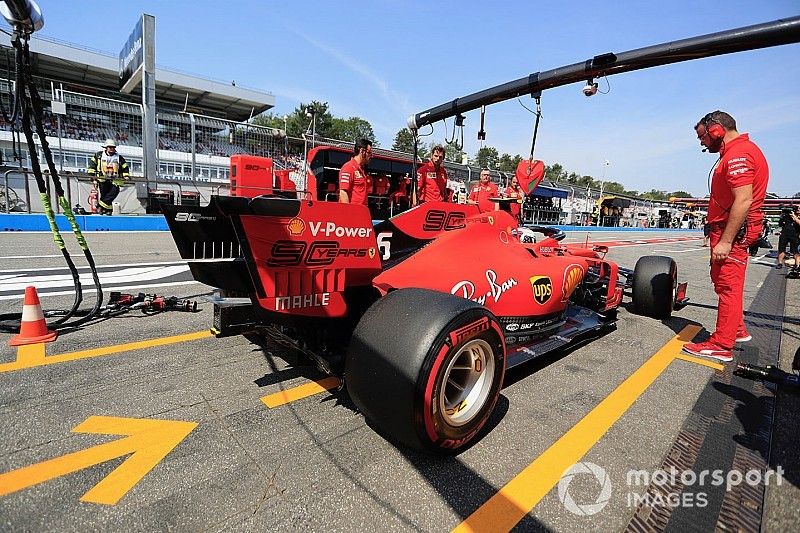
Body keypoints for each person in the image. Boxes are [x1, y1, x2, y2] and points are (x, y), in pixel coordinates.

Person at [682, 111, 769, 362]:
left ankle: (721, 344)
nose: (702, 142)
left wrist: (727, 240)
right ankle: (737, 329)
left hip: (733, 229)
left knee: (728, 284)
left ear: (717, 130)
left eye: (703, 137)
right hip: (732, 226)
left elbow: (743, 200)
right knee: (725, 281)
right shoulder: (740, 152)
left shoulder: (738, 155)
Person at [87, 139, 129, 215]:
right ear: (106, 148)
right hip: (102, 179)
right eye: (110, 147)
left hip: (115, 179)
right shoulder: (98, 156)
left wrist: (126, 175)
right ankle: (107, 210)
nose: (112, 149)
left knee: (114, 192)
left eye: (113, 147)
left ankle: (99, 206)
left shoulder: (119, 157)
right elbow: (92, 166)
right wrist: (93, 178)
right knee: (104, 195)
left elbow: (125, 167)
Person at [339, 139, 373, 205]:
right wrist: (349, 212)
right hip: (352, 212)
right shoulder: (348, 167)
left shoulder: (361, 170)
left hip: (361, 211)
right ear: (362, 151)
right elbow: (343, 192)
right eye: (369, 153)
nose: (371, 156)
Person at [776, 205, 800, 269]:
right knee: (781, 249)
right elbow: (780, 224)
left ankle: (797, 265)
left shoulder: (797, 216)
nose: (798, 209)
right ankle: (780, 263)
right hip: (785, 234)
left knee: (795, 251)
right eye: (797, 208)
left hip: (795, 235)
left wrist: (794, 217)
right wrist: (781, 217)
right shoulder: (786, 216)